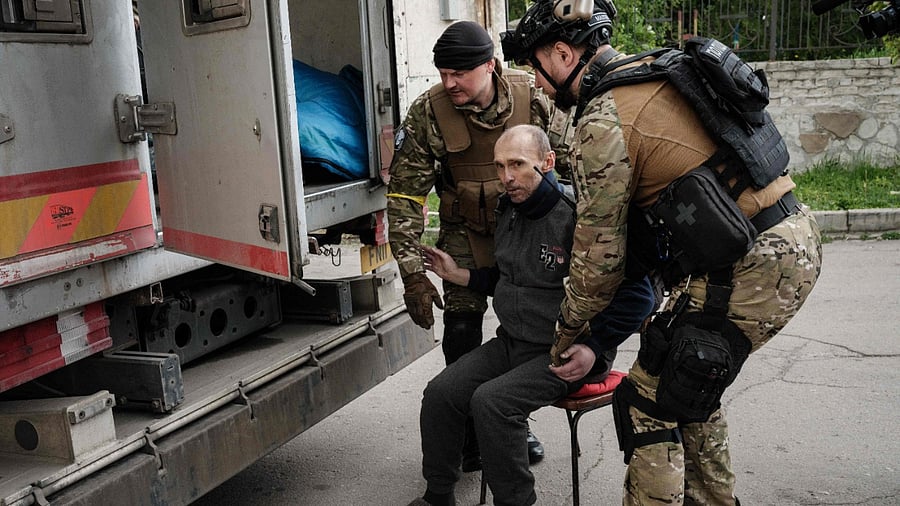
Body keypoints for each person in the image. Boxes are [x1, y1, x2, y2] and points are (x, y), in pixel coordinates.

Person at [500, 1, 823, 505]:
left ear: (562, 54)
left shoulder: (603, 118)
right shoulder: (654, 72)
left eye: (536, 69)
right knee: (688, 385)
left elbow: (598, 257)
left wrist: (568, 333)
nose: (537, 85)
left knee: (646, 400)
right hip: (786, 237)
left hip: (751, 263)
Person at [406, 125, 655, 506]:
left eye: (518, 164)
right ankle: (438, 495)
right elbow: (510, 280)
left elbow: (640, 294)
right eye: (500, 166)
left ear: (548, 162)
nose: (506, 177)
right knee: (441, 393)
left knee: (492, 403)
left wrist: (594, 347)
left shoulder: (580, 217)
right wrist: (459, 275)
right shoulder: (509, 210)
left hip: (568, 352)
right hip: (513, 344)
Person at [386, 20, 556, 469]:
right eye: (443, 73)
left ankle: (511, 418)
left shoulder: (532, 97)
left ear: (490, 66)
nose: (449, 83)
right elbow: (404, 196)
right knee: (461, 329)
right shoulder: (429, 112)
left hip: (525, 229)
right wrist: (412, 275)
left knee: (525, 329)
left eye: (459, 73)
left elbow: (568, 169)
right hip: (464, 231)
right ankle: (468, 430)